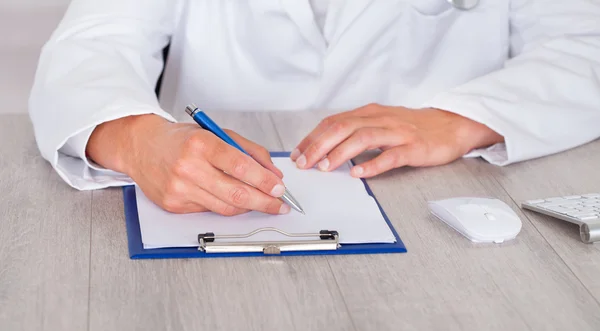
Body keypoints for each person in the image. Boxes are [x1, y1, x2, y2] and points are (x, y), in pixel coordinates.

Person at [29, 0, 600, 216]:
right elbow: (90, 46)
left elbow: (587, 44)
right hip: (208, 211)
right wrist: (136, 139)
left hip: (440, 198)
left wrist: (461, 118)